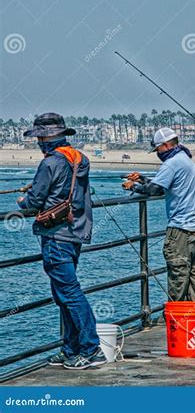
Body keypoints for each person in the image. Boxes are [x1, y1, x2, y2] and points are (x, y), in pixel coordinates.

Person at [17, 113, 105, 370]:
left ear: (47, 137)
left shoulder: (50, 163)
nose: (39, 143)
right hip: (75, 231)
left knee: (70, 293)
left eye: (40, 138)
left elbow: (34, 202)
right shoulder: (79, 158)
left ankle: (91, 349)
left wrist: (24, 200)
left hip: (55, 236)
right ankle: (70, 348)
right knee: (63, 294)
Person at [123, 128, 195, 305]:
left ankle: (176, 314)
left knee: (178, 271)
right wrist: (142, 179)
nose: (158, 154)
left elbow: (154, 190)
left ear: (165, 145)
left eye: (158, 150)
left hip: (183, 228)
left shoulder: (171, 163)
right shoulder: (184, 159)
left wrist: (132, 186)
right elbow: (163, 184)